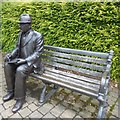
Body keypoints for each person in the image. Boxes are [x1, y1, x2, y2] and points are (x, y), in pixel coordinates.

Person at [3, 14, 44, 113]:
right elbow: (17, 48)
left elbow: (38, 53)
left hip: (32, 63)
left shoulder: (37, 36)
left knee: (20, 70)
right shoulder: (20, 34)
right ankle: (11, 91)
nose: (20, 26)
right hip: (20, 60)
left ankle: (20, 99)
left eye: (22, 24)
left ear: (28, 24)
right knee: (7, 65)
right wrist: (11, 55)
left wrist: (25, 61)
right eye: (20, 24)